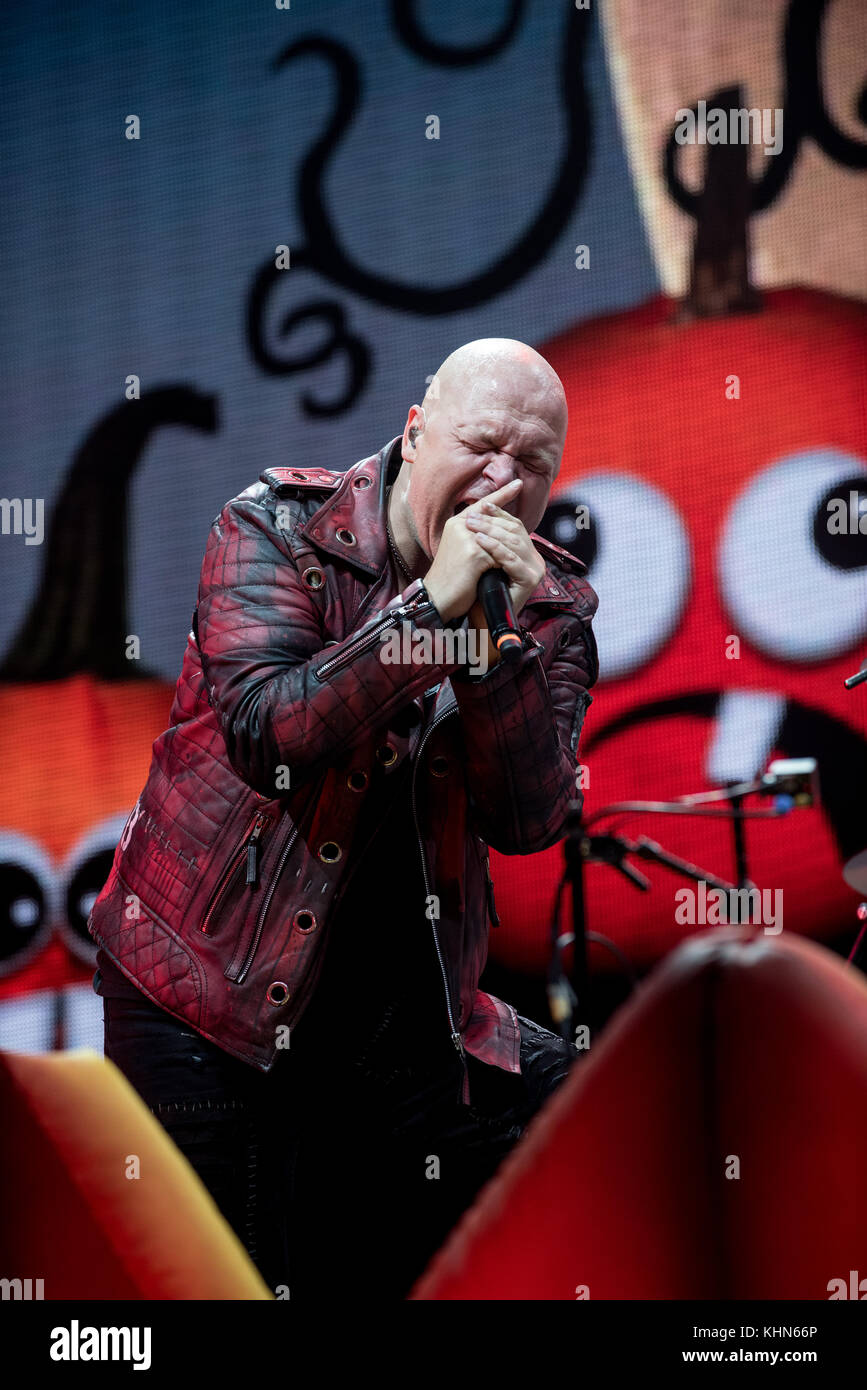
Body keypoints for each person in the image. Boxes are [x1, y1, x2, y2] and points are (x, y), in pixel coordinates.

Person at [89, 337, 600, 1299]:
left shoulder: (552, 608)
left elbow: (526, 817)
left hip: (399, 1017)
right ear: (414, 433)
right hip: (208, 995)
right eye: (482, 443)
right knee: (225, 1283)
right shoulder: (274, 530)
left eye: (533, 462)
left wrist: (489, 643)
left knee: (592, 1116)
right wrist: (428, 612)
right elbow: (269, 731)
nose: (504, 477)